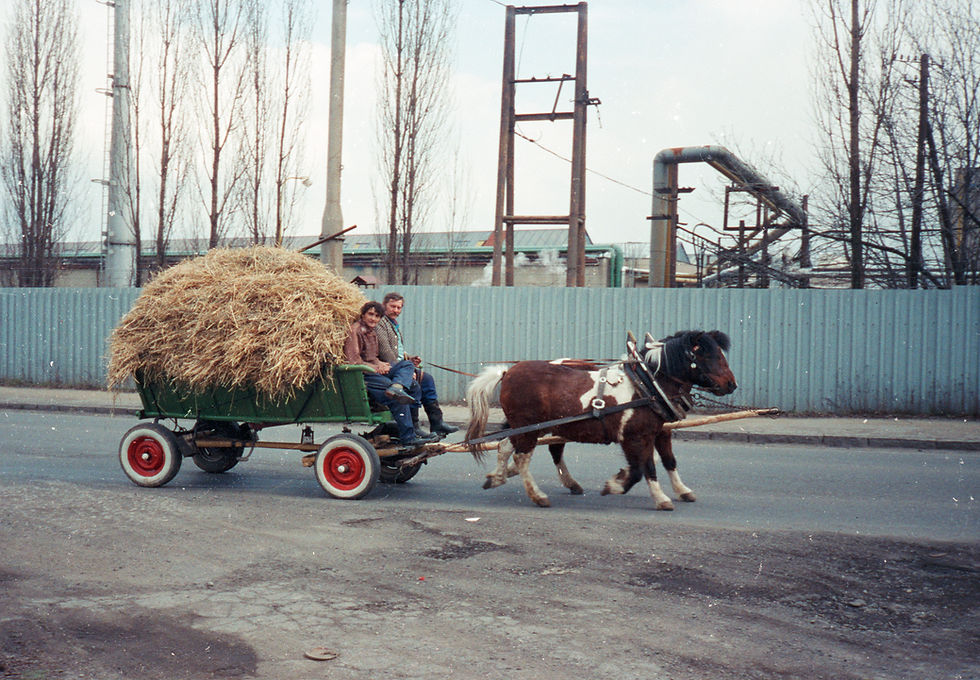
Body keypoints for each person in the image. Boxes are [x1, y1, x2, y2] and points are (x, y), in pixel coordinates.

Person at [343, 301, 436, 446]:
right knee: (398, 398)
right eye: (370, 314)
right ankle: (408, 437)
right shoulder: (355, 331)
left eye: (377, 316)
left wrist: (380, 364)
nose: (373, 319)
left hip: (373, 370)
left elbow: (373, 357)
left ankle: (398, 388)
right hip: (363, 376)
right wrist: (376, 367)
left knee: (409, 372)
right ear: (363, 314)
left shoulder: (372, 332)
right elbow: (354, 361)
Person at [376, 292, 459, 435]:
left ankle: (437, 422)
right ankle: (414, 427)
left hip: (399, 367)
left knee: (427, 379)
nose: (396, 310)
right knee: (416, 383)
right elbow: (386, 353)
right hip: (387, 368)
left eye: (399, 307)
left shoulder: (393, 325)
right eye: (393, 306)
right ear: (384, 306)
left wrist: (409, 358)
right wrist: (405, 372)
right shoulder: (381, 324)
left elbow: (397, 351)